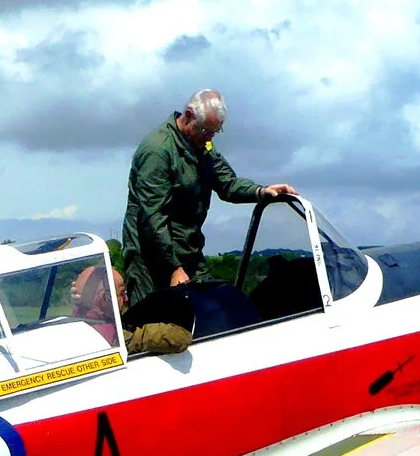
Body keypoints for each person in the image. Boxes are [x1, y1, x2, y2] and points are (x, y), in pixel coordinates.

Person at [120, 88, 296, 307]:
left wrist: (261, 191)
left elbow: (228, 183)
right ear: (189, 115)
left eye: (215, 132)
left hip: (189, 252)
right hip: (152, 259)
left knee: (217, 307)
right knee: (155, 325)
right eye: (206, 130)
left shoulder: (203, 146)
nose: (209, 138)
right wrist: (173, 269)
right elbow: (152, 219)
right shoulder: (158, 151)